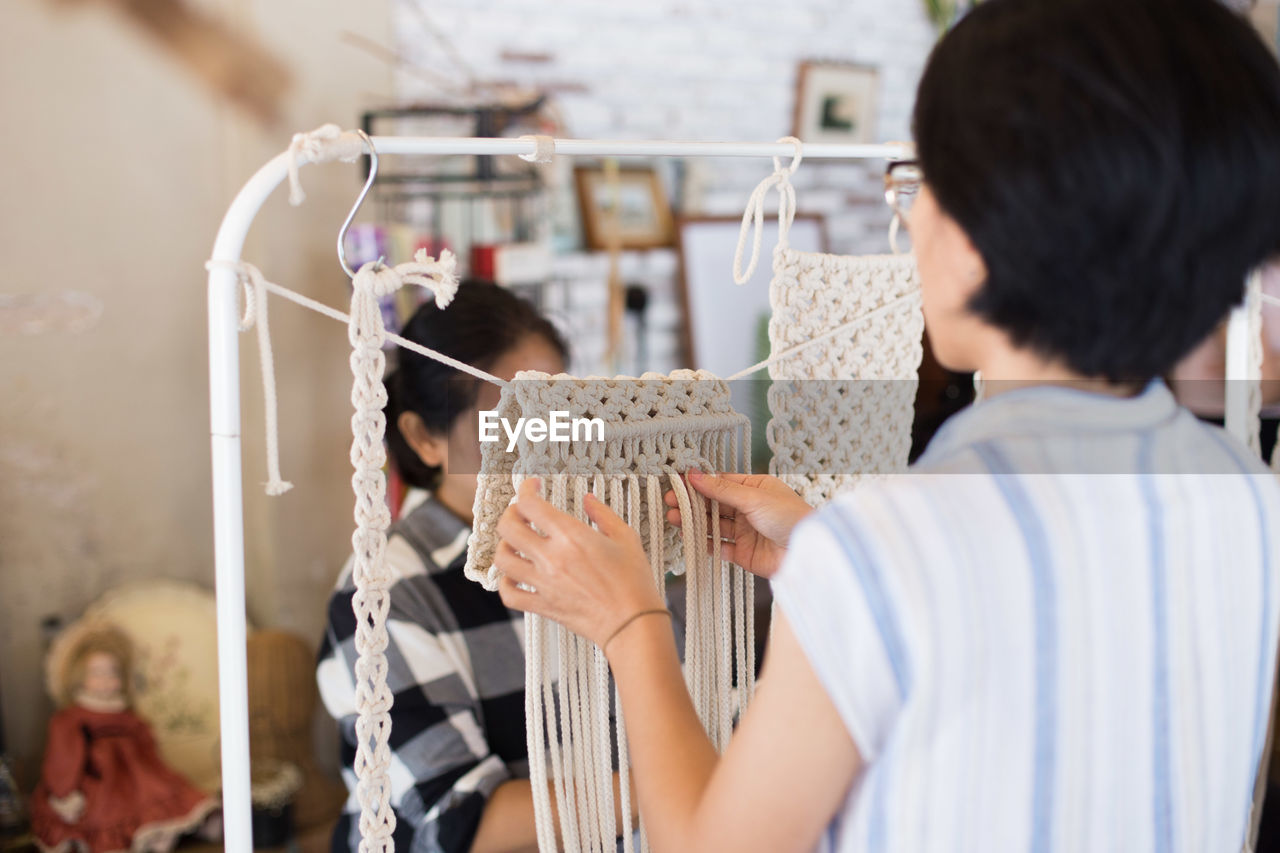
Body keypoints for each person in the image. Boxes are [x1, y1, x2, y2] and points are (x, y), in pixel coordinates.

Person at [488, 0, 1280, 850]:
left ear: (978, 235)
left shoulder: (886, 551)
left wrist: (630, 625)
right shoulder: (1246, 498)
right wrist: (832, 555)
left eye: (921, 181)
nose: (908, 217)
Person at [316, 281, 635, 852]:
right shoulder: (383, 598)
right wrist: (688, 783)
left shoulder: (605, 544)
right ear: (424, 437)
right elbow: (464, 823)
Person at [30, 624, 220, 853]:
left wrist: (157, 770)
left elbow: (148, 749)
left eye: (113, 672)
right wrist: (64, 793)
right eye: (97, 673)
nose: (106, 680)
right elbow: (63, 758)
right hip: (101, 785)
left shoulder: (127, 716)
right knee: (108, 813)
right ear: (80, 676)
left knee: (162, 793)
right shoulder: (73, 719)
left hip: (139, 780)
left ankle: (169, 831)